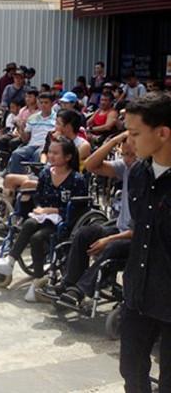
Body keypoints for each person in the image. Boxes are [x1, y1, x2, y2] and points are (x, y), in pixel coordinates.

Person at [0, 137, 87, 301]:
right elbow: (39, 196)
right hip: (44, 216)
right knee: (29, 223)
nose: (51, 156)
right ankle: (10, 261)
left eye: (56, 153)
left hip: (64, 220)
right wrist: (28, 200)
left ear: (68, 157)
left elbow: (78, 206)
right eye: (50, 152)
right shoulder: (46, 173)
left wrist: (53, 210)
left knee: (37, 238)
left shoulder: (77, 179)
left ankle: (38, 279)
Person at [118, 91, 171, 392]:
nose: (129, 142)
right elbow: (141, 230)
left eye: (135, 134)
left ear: (163, 133)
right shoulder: (138, 172)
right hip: (137, 295)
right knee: (132, 371)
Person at [49, 132, 134, 305]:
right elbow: (91, 166)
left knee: (112, 246)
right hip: (121, 229)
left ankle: (81, 290)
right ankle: (69, 282)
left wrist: (108, 239)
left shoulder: (147, 176)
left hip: (139, 237)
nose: (127, 159)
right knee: (85, 233)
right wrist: (114, 141)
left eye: (132, 155)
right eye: (124, 154)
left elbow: (142, 229)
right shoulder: (126, 167)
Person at [5, 93, 57, 174]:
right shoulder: (33, 118)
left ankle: (35, 180)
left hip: (46, 146)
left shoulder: (57, 118)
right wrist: (21, 128)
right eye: (41, 102)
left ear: (52, 104)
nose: (43, 105)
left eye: (46, 102)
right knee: (16, 154)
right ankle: (17, 178)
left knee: (38, 155)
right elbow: (25, 139)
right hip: (32, 145)